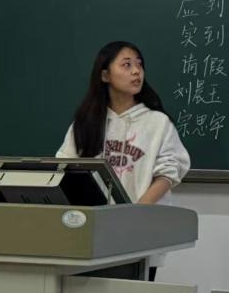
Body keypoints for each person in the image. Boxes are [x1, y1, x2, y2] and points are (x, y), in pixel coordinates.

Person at [57, 41, 190, 280]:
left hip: (140, 232)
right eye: (126, 65)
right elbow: (64, 166)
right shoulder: (86, 123)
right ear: (105, 75)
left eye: (139, 65)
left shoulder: (157, 123)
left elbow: (169, 172)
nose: (136, 71)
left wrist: (135, 214)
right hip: (91, 233)